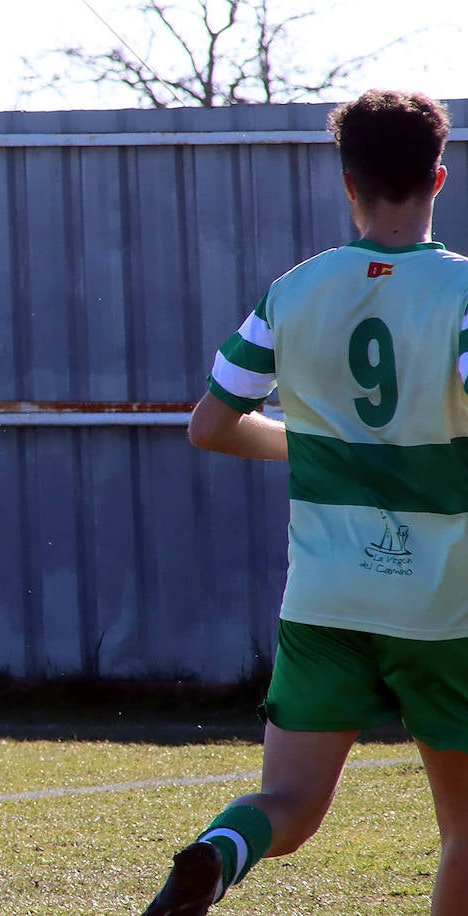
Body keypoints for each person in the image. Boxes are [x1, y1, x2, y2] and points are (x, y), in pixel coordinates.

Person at [143, 90, 468, 915]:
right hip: (444, 606)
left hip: (325, 598)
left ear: (346, 181)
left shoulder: (293, 291)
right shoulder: (462, 294)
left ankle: (219, 854)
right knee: (465, 827)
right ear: (438, 173)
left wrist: (315, 438)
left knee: (287, 803)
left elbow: (211, 425)